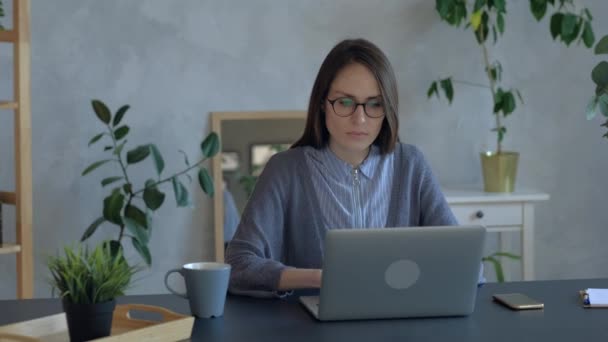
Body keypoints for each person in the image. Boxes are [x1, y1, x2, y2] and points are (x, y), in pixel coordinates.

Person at [225, 38, 482, 297]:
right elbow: (238, 264)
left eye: (374, 104)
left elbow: (466, 264)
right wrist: (319, 278)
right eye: (345, 102)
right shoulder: (285, 170)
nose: (359, 119)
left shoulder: (411, 165)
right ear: (323, 103)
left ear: (387, 109)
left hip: (397, 324)